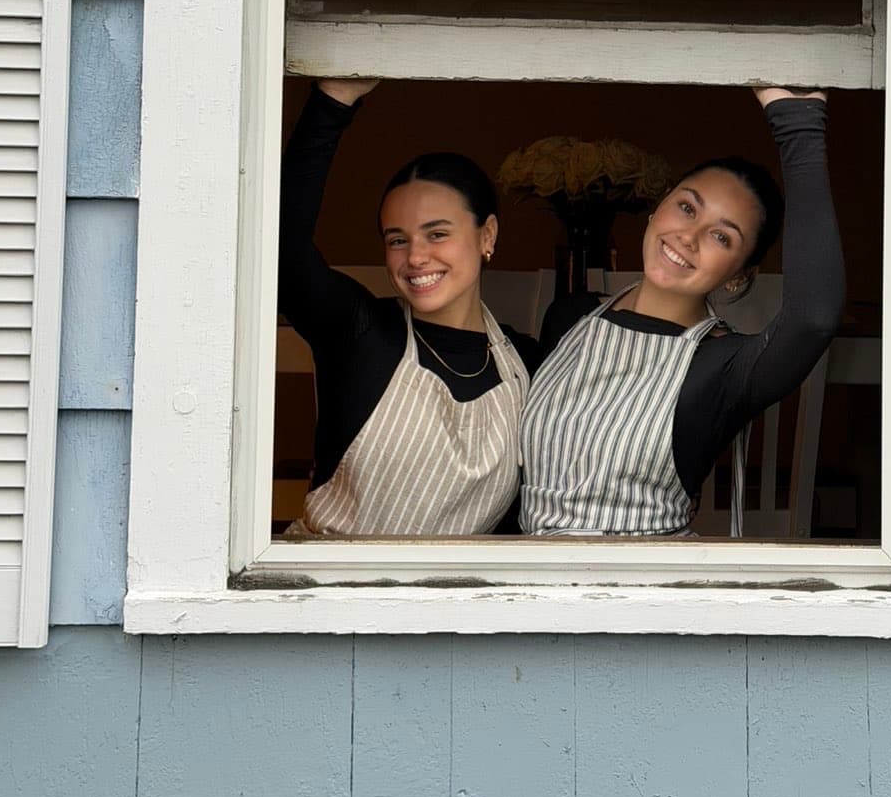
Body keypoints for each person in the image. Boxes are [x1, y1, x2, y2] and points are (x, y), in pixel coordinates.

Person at [520, 85, 844, 536]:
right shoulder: (568, 317)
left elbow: (814, 319)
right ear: (659, 208)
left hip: (646, 579)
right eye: (687, 207)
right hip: (526, 571)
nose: (689, 237)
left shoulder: (724, 367)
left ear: (739, 274)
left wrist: (798, 122)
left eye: (721, 237)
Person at [278, 78, 539, 537]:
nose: (416, 257)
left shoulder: (528, 366)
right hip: (323, 582)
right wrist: (335, 98)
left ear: (487, 235)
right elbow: (280, 249)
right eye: (397, 240)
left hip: (455, 587)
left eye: (437, 234)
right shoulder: (359, 331)